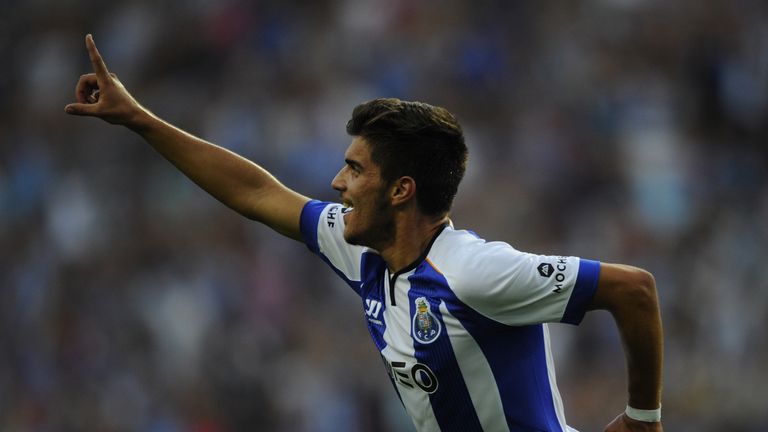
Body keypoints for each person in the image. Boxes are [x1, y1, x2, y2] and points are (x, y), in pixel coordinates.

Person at [65, 34, 663, 432]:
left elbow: (635, 290)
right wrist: (139, 120)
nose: (336, 183)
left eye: (354, 170)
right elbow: (256, 193)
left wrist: (642, 418)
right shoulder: (365, 255)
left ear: (400, 190)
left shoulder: (475, 271)